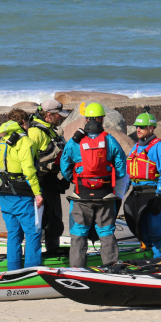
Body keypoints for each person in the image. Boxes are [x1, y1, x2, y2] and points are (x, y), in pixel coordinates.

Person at [60, 102, 128, 267]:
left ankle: (77, 270)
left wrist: (76, 180)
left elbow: (64, 166)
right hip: (105, 195)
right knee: (106, 232)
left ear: (86, 119)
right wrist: (107, 180)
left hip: (81, 195)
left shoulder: (75, 141)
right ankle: (110, 267)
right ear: (101, 119)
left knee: (78, 233)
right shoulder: (109, 140)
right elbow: (121, 167)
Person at [0, 108, 43, 271]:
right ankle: (31, 271)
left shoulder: (3, 139)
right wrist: (37, 192)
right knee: (33, 233)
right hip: (22, 194)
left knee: (14, 234)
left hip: (5, 193)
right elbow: (28, 169)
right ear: (23, 123)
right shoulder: (24, 141)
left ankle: (12, 270)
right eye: (28, 122)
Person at [123, 110, 161, 259]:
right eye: (136, 127)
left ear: (151, 128)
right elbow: (128, 175)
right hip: (136, 194)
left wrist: (159, 195)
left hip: (152, 195)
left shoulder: (160, 148)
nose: (138, 129)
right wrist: (120, 194)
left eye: (142, 126)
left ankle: (160, 259)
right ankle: (146, 253)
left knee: (156, 233)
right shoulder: (135, 148)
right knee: (140, 230)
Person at [26, 99, 70, 255]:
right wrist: (35, 190)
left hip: (52, 182)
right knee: (40, 223)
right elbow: (28, 163)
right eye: (59, 115)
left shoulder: (50, 129)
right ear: (49, 115)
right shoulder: (35, 133)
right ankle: (33, 255)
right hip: (39, 184)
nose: (61, 118)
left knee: (55, 222)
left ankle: (53, 250)